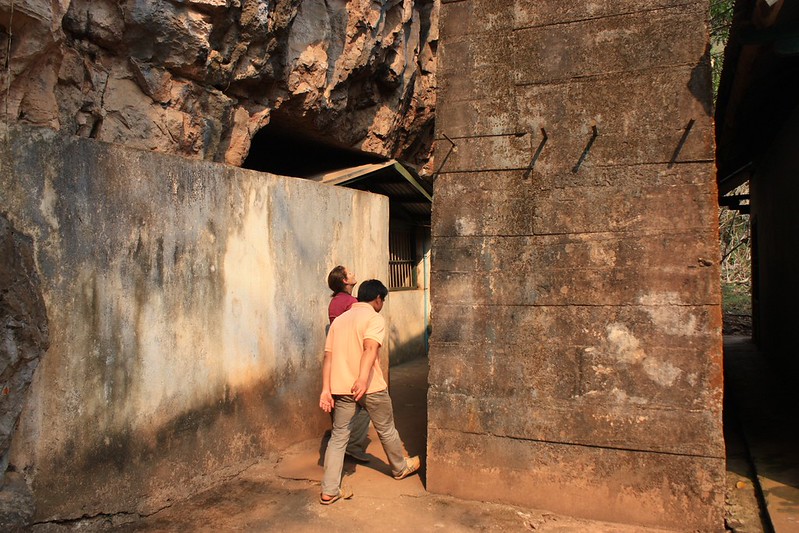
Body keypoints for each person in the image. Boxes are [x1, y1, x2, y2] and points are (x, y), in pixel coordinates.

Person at [318, 279, 421, 504]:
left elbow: (328, 357)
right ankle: (399, 467)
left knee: (338, 436)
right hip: (370, 386)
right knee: (386, 428)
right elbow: (370, 348)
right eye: (382, 300)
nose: (381, 303)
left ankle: (329, 490)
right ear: (377, 299)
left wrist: (326, 389)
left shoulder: (340, 321)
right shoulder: (374, 318)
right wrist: (363, 379)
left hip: (341, 387)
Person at [326, 265, 370, 463]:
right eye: (349, 272)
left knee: (344, 407)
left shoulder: (335, 303)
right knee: (366, 405)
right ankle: (351, 446)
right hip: (353, 359)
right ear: (345, 281)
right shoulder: (353, 303)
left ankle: (344, 444)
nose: (353, 273)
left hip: (337, 359)